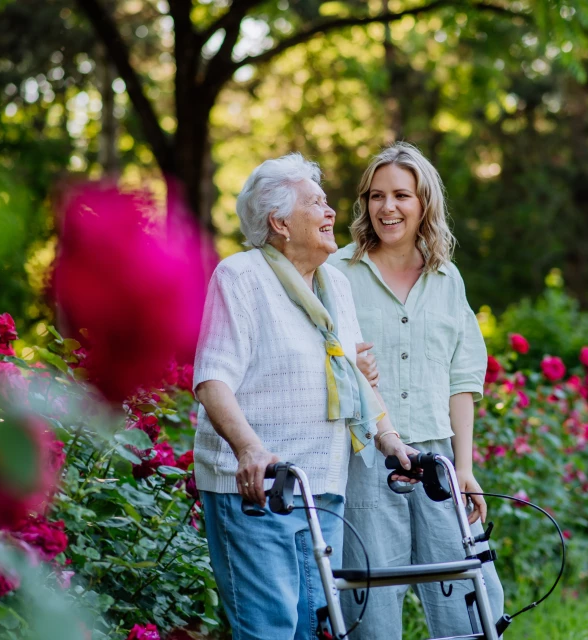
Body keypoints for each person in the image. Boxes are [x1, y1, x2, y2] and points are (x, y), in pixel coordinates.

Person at [192, 153, 413, 640]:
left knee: (317, 629)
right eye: (316, 203)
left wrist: (390, 438)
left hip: (322, 487)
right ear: (279, 222)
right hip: (258, 489)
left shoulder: (334, 283)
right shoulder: (242, 277)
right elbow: (212, 378)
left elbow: (354, 376)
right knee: (270, 628)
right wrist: (249, 448)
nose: (332, 212)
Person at [328, 142, 505, 639]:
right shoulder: (337, 274)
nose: (388, 208)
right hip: (365, 459)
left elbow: (463, 381)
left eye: (402, 195)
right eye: (376, 196)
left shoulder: (447, 280)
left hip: (436, 460)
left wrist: (464, 467)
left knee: (468, 600)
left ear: (424, 202)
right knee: (371, 604)